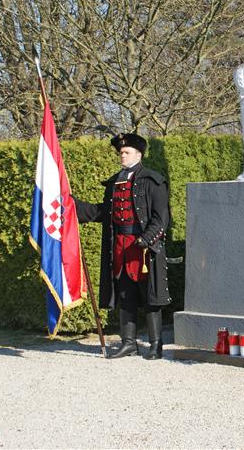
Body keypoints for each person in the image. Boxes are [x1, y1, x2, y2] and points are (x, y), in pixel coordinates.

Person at [75, 133, 172, 360]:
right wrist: (73, 205)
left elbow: (161, 218)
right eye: (120, 152)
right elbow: (103, 213)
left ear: (138, 154)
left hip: (145, 248)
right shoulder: (115, 182)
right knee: (125, 293)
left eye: (126, 152)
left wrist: (146, 239)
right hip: (120, 245)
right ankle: (128, 343)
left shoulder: (153, 180)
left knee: (150, 296)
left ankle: (155, 344)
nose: (122, 155)